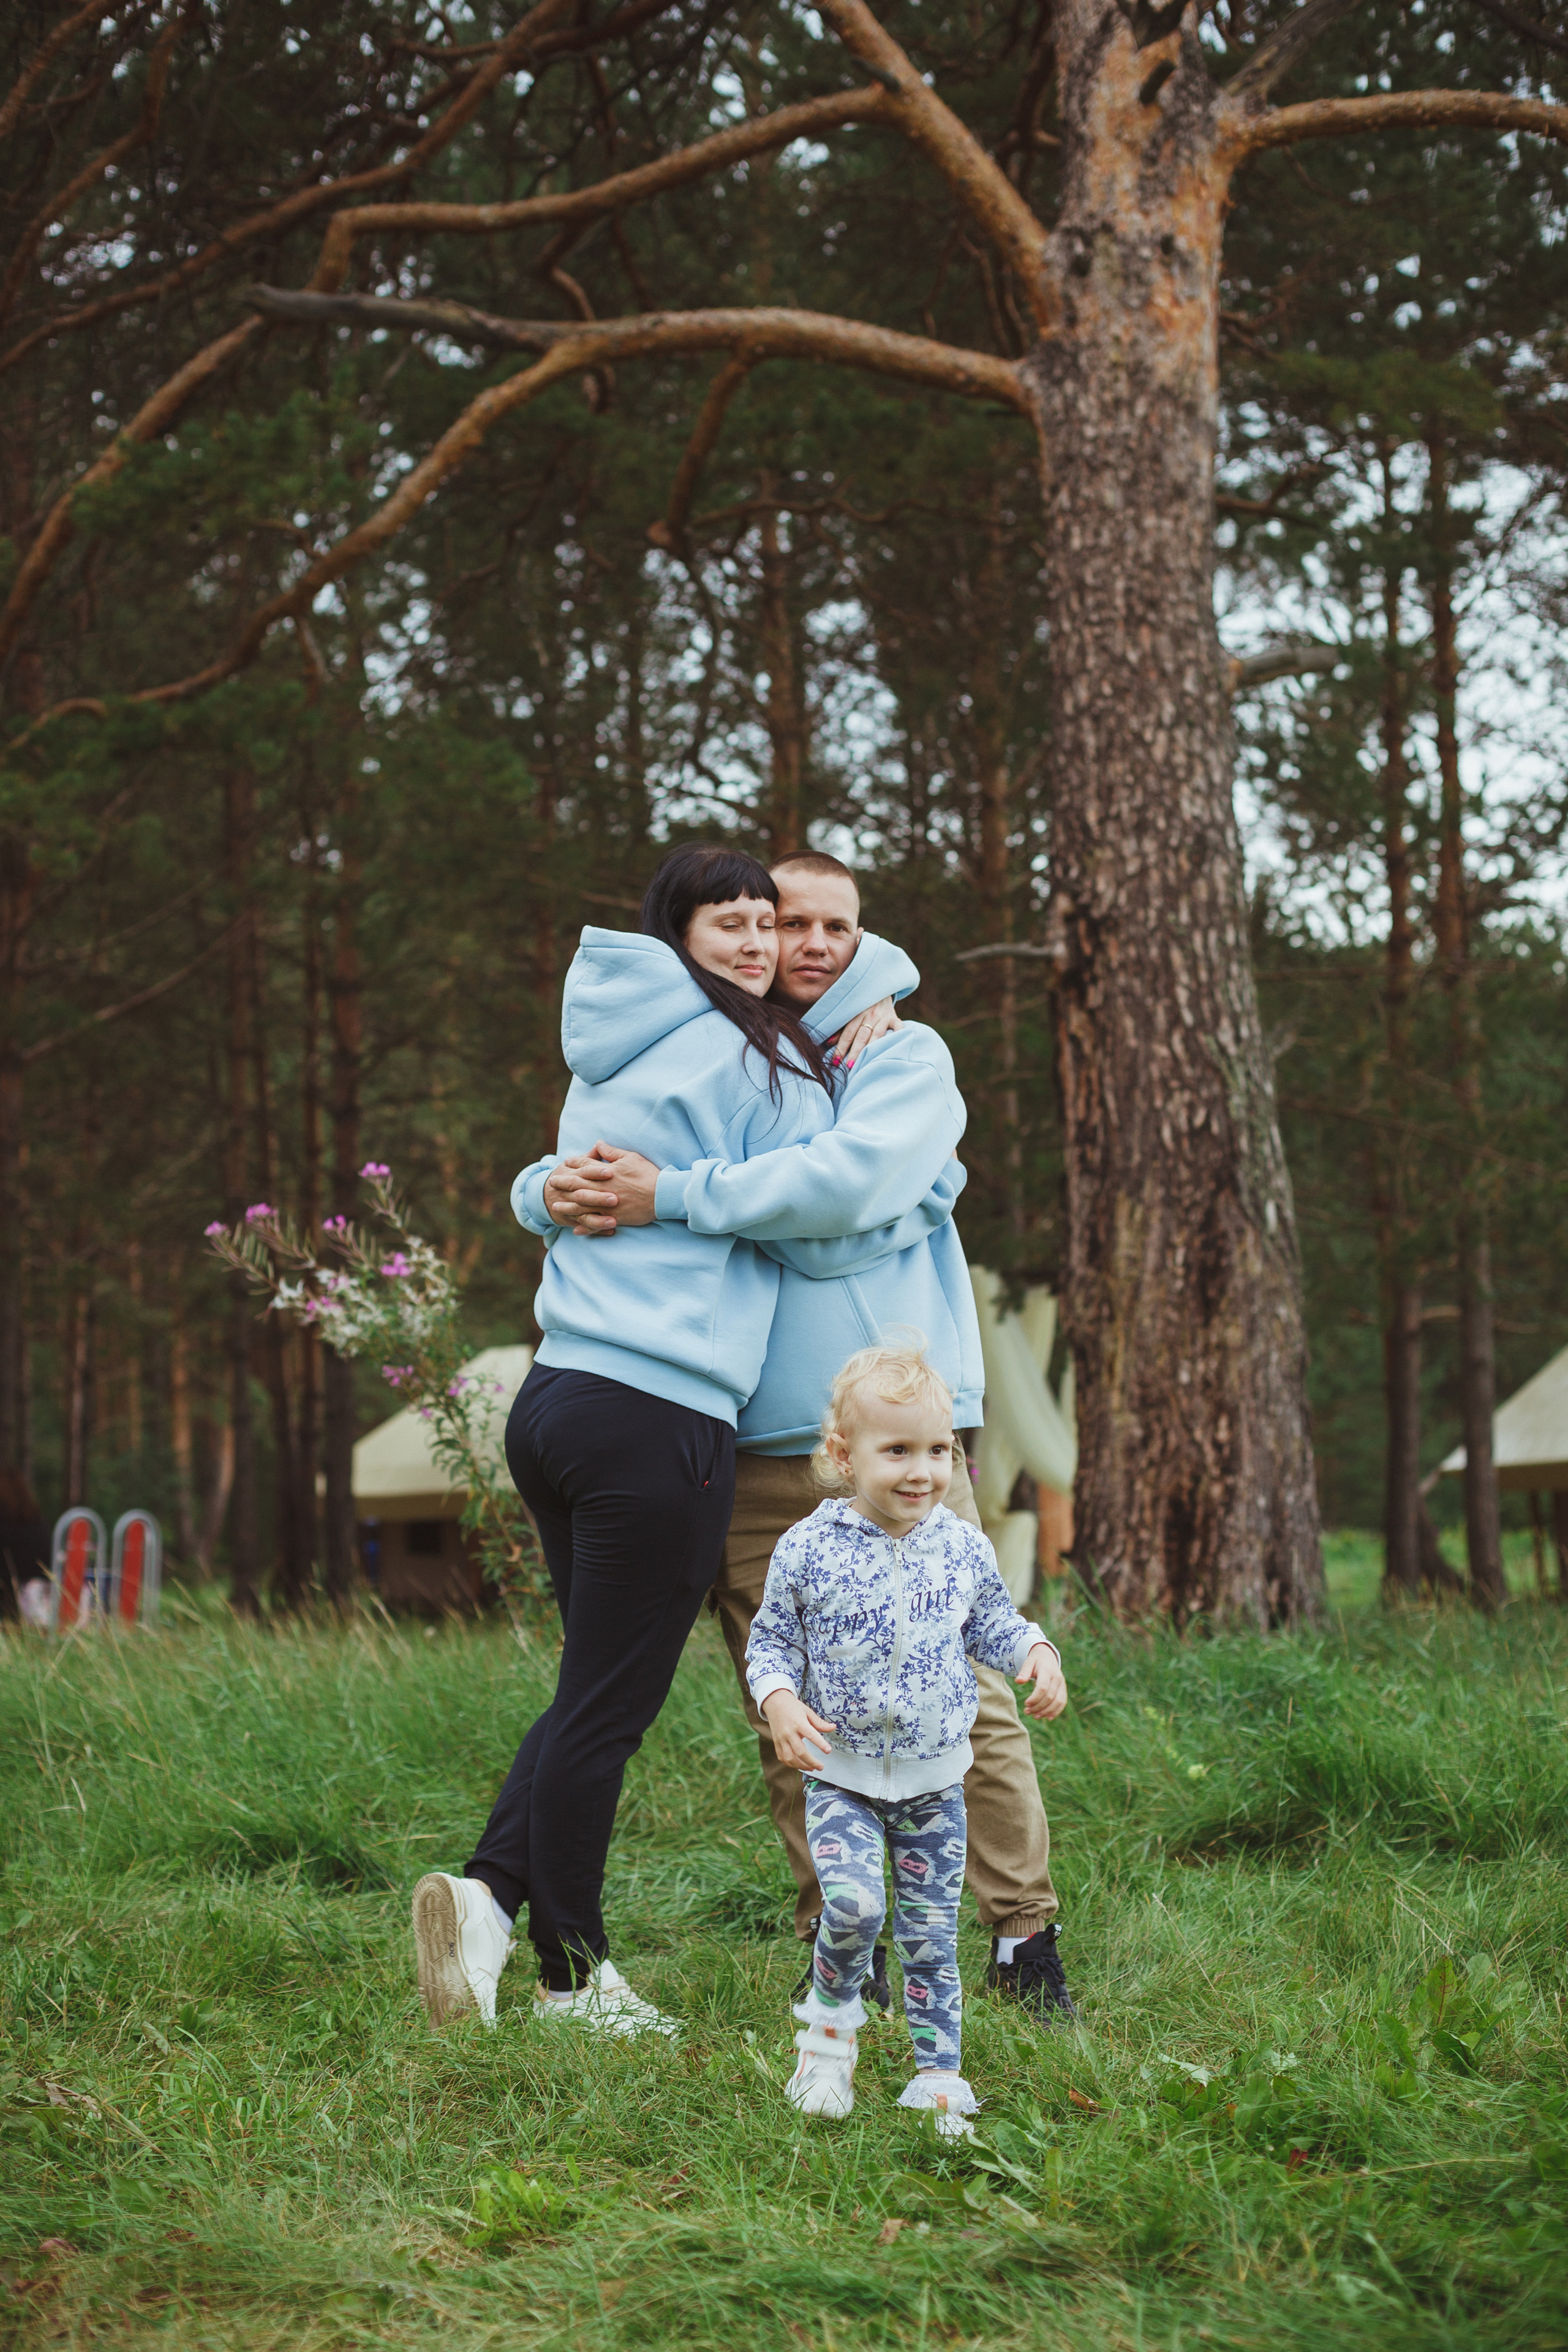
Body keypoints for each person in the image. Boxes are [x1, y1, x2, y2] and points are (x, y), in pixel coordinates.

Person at [539, 850, 1077, 2022]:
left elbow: (837, 1206)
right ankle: (842, 1948)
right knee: (790, 1707)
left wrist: (700, 1197)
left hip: (902, 1438)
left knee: (969, 1691)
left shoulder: (904, 1053)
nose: (812, 944)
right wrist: (552, 1191)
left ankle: (1020, 1937)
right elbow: (798, 1196)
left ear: (863, 933)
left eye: (836, 923)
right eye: (789, 924)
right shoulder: (744, 1058)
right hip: (747, 1442)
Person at [411, 843, 908, 2039]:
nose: (751, 943)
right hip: (659, 1416)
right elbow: (827, 1205)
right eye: (727, 924)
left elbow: (561, 1183)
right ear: (678, 934)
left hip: (557, 1398)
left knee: (590, 1683)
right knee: (608, 1711)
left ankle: (485, 1900)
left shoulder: (626, 1045)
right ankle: (572, 1980)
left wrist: (540, 1192)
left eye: (760, 921)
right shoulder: (755, 1056)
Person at [747, 1340, 1068, 2132]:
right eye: (897, 1451)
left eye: (940, 1450)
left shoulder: (959, 1546)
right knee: (853, 1908)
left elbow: (993, 1619)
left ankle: (938, 2076)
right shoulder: (809, 1550)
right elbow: (770, 1645)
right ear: (842, 1455)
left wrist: (1034, 1650)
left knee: (929, 1930)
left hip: (933, 1779)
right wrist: (781, 1701)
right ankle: (828, 2033)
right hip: (843, 1775)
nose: (923, 1471)